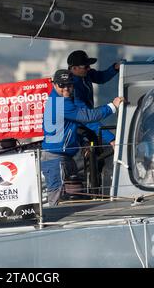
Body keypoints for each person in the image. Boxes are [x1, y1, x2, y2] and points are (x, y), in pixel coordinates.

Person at [41, 69, 124, 206]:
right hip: (55, 158)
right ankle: (56, 223)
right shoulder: (61, 103)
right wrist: (112, 106)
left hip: (64, 156)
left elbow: (70, 126)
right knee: (56, 197)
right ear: (54, 85)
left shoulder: (60, 99)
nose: (66, 88)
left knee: (74, 193)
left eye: (69, 85)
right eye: (62, 85)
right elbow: (87, 117)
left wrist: (84, 141)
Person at [67, 50, 120, 147]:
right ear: (74, 68)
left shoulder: (86, 74)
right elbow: (86, 118)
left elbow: (101, 77)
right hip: (78, 129)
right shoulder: (72, 89)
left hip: (89, 121)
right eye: (86, 66)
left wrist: (115, 68)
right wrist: (111, 139)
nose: (89, 68)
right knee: (92, 153)